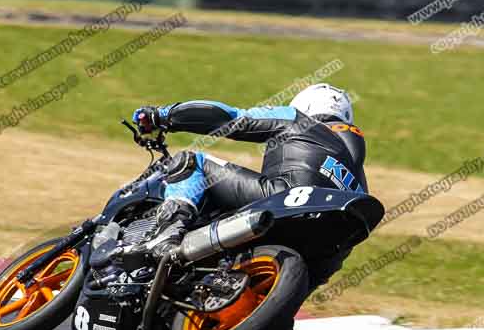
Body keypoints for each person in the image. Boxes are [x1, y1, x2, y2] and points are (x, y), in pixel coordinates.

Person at [132, 83, 367, 291]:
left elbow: (232, 119)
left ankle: (166, 233)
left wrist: (161, 116)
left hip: (285, 198)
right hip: (320, 255)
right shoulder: (360, 176)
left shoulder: (299, 119)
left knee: (191, 162)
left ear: (306, 104)